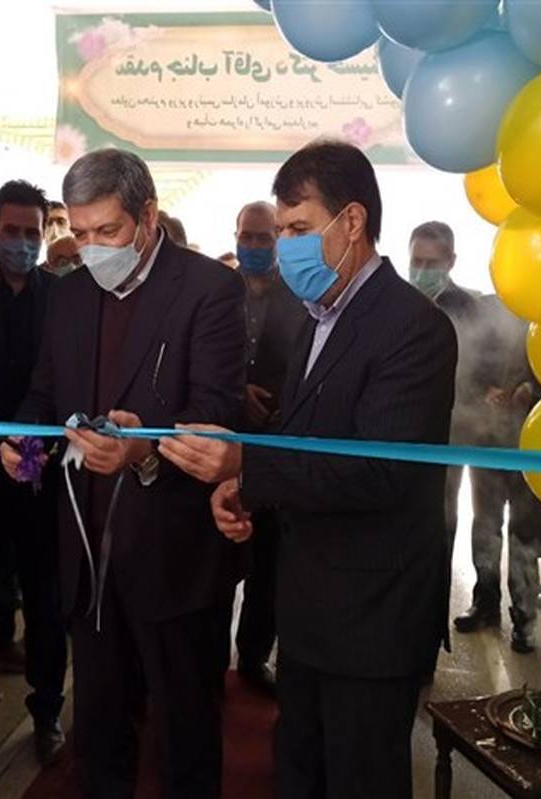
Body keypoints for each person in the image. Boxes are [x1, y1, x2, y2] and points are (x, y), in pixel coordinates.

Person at [158, 141, 457, 799]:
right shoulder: (316, 319)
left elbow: (380, 471)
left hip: (371, 619)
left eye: (298, 228)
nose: (286, 246)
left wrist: (250, 462)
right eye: (281, 229)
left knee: (358, 781)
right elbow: (300, 438)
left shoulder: (414, 328)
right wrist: (242, 483)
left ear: (352, 221)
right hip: (308, 609)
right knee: (298, 773)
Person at [0, 148, 246, 798]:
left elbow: (216, 411)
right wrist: (23, 442)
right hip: (87, 554)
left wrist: (143, 451)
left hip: (171, 556)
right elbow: (44, 395)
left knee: (185, 733)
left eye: (107, 231)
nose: (92, 249)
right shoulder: (69, 296)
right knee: (100, 730)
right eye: (79, 233)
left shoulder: (208, 290)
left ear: (148, 216)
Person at [0, 180, 68, 770]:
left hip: (40, 472)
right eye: (11, 231)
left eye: (32, 233)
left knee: (46, 602)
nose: (22, 243)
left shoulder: (60, 298)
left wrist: (33, 450)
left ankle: (47, 713)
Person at [408, 222, 539, 653]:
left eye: (432, 262)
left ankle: (518, 614)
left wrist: (502, 391)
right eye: (417, 260)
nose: (422, 270)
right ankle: (460, 611)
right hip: (430, 439)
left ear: (451, 262)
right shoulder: (400, 302)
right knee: (444, 526)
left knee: (503, 524)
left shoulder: (473, 307)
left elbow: (490, 363)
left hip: (487, 433)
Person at [232, 200, 305, 698]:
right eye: (248, 237)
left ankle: (253, 655)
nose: (255, 246)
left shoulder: (299, 295)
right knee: (215, 555)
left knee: (268, 559)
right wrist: (236, 392)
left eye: (264, 238)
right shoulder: (216, 292)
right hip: (221, 438)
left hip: (278, 442)